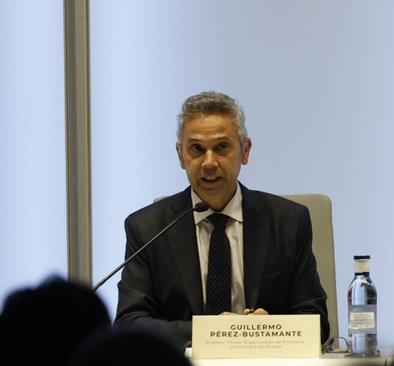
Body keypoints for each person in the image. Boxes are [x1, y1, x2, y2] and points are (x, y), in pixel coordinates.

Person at [115, 91, 329, 345]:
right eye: (196, 149)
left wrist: (269, 329)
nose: (209, 162)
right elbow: (129, 323)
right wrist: (212, 332)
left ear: (245, 151)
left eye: (221, 147)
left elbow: (316, 320)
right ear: (180, 155)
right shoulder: (147, 228)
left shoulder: (288, 222)